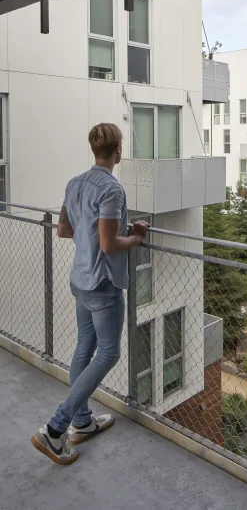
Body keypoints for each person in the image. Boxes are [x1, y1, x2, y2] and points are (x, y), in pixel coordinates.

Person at [31, 123, 148, 465]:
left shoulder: (74, 184)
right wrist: (137, 237)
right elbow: (111, 245)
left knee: (85, 344)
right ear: (118, 151)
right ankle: (55, 429)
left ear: (94, 150)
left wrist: (96, 233)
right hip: (103, 282)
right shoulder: (112, 190)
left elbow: (64, 230)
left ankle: (81, 421)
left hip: (79, 278)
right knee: (108, 353)